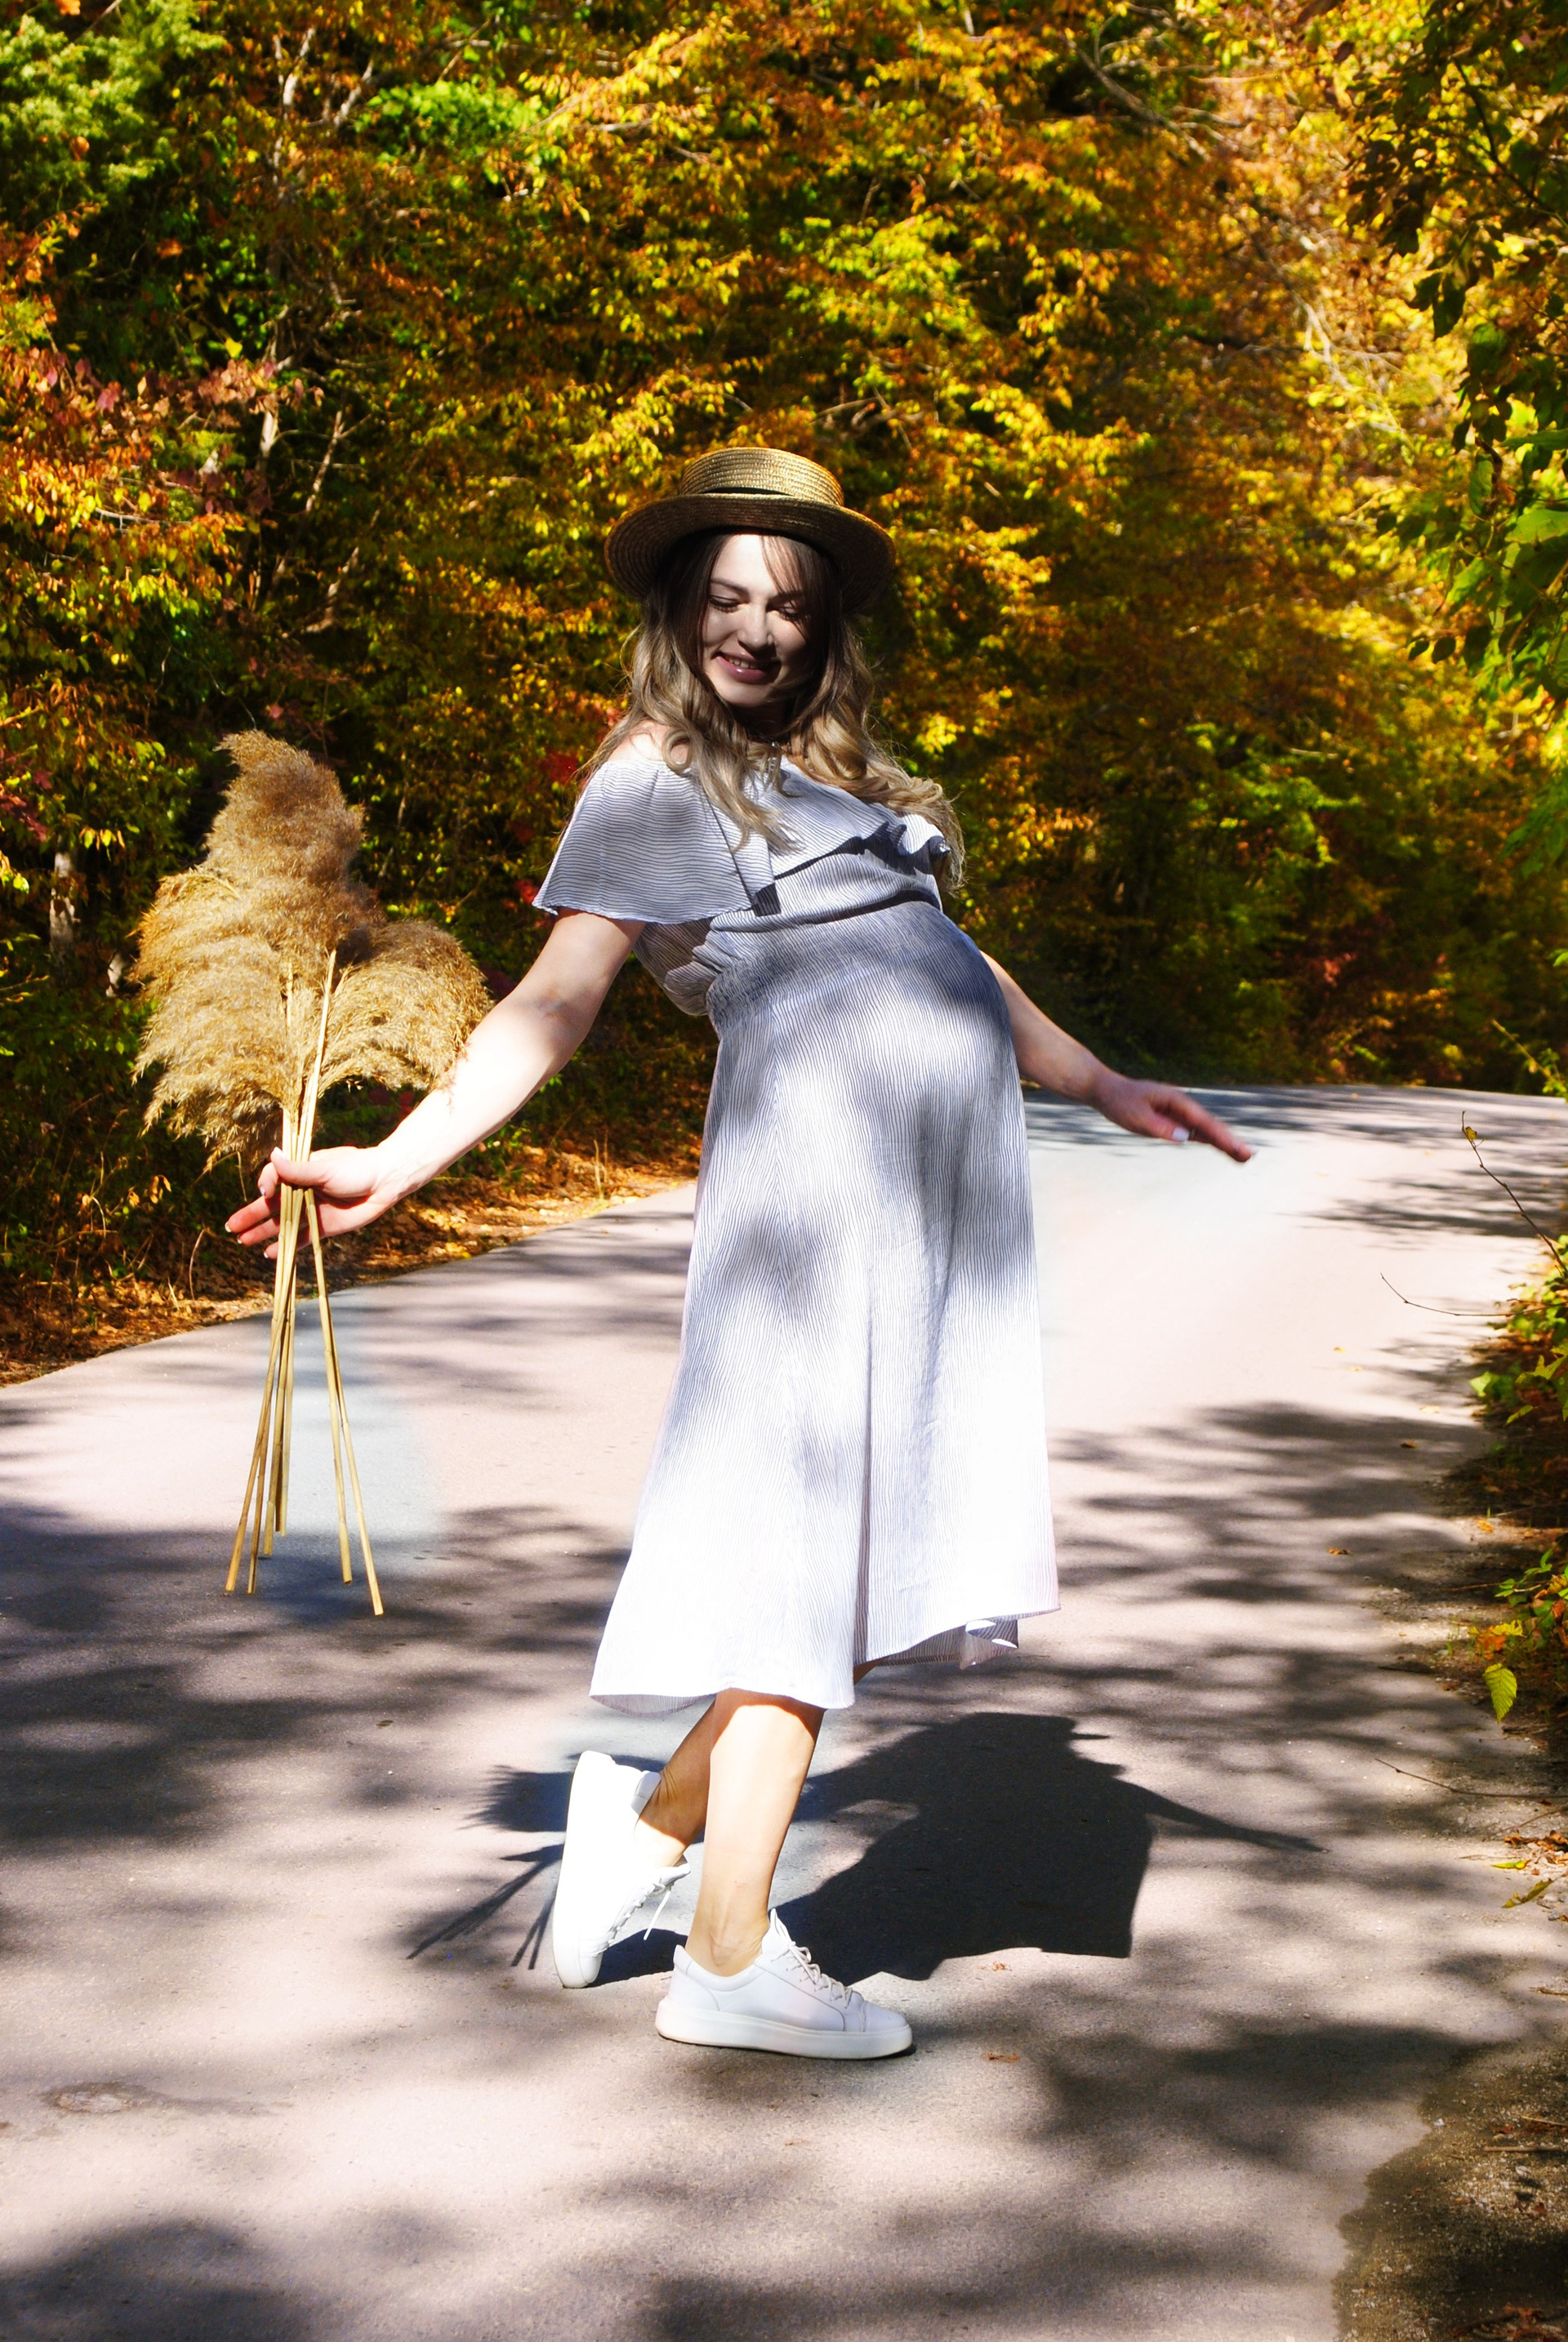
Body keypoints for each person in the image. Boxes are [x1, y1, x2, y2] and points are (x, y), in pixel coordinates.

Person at [229, 445, 1250, 2061]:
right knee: (802, 1585)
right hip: (811, 1232)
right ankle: (726, 1957)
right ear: (677, 612)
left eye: (786, 604)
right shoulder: (657, 778)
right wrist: (395, 1161)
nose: (754, 630)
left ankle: (635, 1843)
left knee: (851, 1578)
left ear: (825, 626)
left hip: (920, 1230)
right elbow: (550, 1007)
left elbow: (949, 962)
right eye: (724, 598)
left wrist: (1101, 1080)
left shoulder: (843, 789)